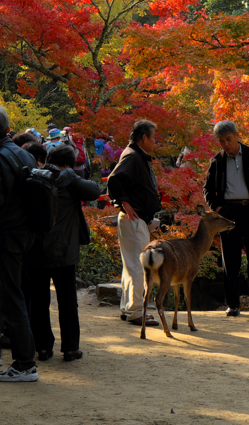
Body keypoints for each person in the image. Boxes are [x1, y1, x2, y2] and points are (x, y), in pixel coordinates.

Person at [0, 106, 40, 383]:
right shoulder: (23, 152)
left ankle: (25, 364)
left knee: (11, 295)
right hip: (28, 231)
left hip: (8, 234)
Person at [26, 144, 101, 361]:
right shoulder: (71, 180)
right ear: (69, 164)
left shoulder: (35, 177)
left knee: (38, 301)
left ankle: (42, 347)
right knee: (67, 300)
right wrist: (71, 173)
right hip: (64, 251)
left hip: (36, 249)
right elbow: (95, 191)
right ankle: (70, 348)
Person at [202, 120, 249, 318]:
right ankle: (233, 304)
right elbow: (208, 189)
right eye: (221, 141)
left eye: (229, 139)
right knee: (230, 260)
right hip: (229, 213)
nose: (226, 144)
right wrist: (218, 208)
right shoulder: (217, 161)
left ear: (237, 135)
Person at [107, 119, 161, 327]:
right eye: (153, 137)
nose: (155, 141)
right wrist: (124, 202)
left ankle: (128, 307)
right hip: (134, 218)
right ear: (144, 137)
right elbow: (114, 179)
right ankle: (136, 310)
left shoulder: (135, 155)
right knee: (139, 265)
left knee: (131, 265)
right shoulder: (132, 156)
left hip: (135, 219)